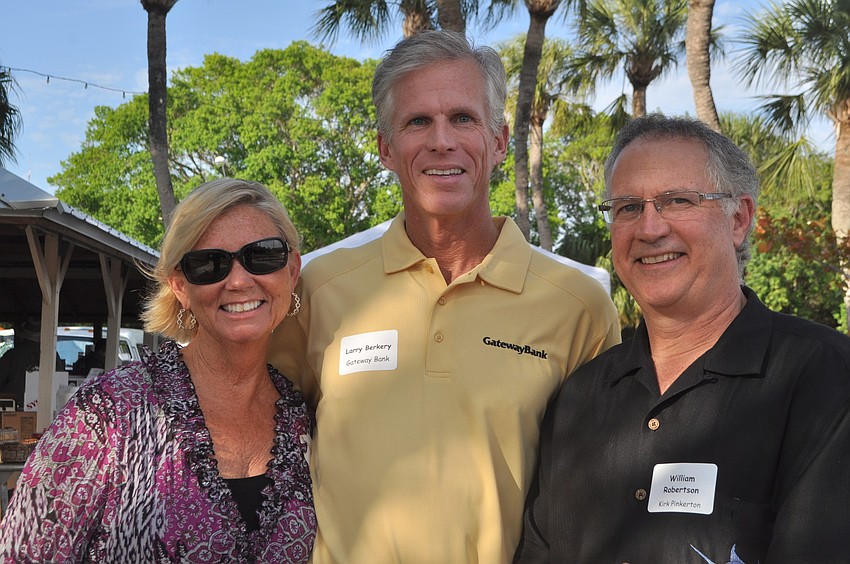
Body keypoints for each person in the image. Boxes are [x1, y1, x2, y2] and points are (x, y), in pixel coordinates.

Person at [268, 30, 620, 563]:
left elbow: (596, 485)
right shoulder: (319, 287)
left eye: (462, 118)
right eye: (417, 122)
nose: (441, 141)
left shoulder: (577, 305)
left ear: (499, 140)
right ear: (387, 148)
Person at [514, 114, 850, 563]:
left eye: (676, 201)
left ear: (739, 218)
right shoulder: (579, 397)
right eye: (628, 207)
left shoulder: (827, 381)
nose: (650, 229)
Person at [0, 179, 316, 562]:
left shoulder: (306, 422)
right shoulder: (106, 415)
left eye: (263, 255)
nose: (237, 281)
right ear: (180, 286)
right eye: (209, 264)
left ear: (292, 270)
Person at [0, 317, 63, 409]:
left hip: (15, 405)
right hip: (47, 405)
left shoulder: (12, 355)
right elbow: (61, 380)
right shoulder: (53, 355)